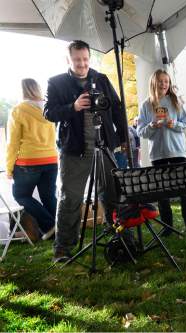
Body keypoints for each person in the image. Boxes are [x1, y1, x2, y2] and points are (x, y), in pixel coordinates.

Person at [44, 40, 127, 263]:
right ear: (68, 60)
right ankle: (63, 248)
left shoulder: (101, 79)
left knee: (112, 194)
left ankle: (120, 238)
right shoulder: (57, 82)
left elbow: (117, 108)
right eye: (77, 60)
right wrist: (73, 106)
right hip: (74, 151)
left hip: (104, 146)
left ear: (89, 58)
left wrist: (123, 138)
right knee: (70, 198)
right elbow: (49, 113)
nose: (82, 64)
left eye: (85, 59)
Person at [136, 69, 186, 236]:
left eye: (166, 81)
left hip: (178, 153)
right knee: (162, 194)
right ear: (153, 83)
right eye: (160, 81)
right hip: (158, 156)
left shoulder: (175, 101)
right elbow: (140, 132)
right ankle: (167, 229)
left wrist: (174, 124)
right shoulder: (146, 104)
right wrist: (152, 125)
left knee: (185, 191)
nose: (164, 84)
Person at [6, 79, 57, 241]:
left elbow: (12, 143)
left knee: (20, 195)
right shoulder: (49, 109)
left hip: (28, 162)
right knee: (48, 196)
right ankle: (63, 229)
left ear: (22, 91)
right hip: (51, 159)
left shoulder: (18, 110)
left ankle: (50, 225)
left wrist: (9, 168)